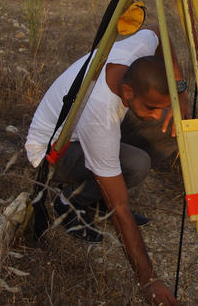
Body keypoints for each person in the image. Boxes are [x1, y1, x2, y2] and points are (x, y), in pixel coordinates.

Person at [25, 26, 188, 306]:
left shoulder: (134, 54)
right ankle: (69, 203)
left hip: (82, 130)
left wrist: (180, 91)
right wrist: (149, 280)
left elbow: (157, 30)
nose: (156, 113)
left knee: (168, 129)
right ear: (127, 90)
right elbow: (121, 208)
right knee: (136, 166)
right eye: (151, 106)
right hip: (51, 152)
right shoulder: (99, 116)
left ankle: (94, 195)